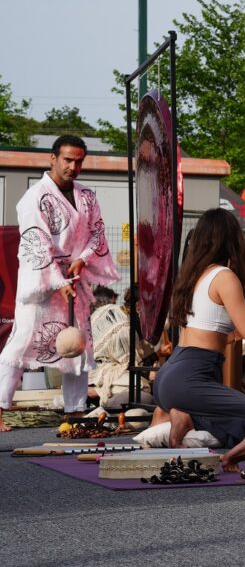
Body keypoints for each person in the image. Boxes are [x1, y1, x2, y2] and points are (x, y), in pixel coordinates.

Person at [0, 135, 119, 432]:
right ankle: (0, 406)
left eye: (79, 161)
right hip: (42, 284)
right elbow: (36, 243)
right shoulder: (34, 197)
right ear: (53, 159)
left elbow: (97, 232)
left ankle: (75, 411)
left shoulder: (87, 196)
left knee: (77, 343)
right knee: (20, 343)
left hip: (74, 279)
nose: (73, 167)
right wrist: (56, 279)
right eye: (67, 160)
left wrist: (83, 259)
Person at [151, 209, 245, 469]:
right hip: (191, 377)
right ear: (232, 240)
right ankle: (227, 444)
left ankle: (186, 416)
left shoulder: (193, 276)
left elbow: (217, 333)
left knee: (233, 417)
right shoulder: (224, 277)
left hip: (170, 375)